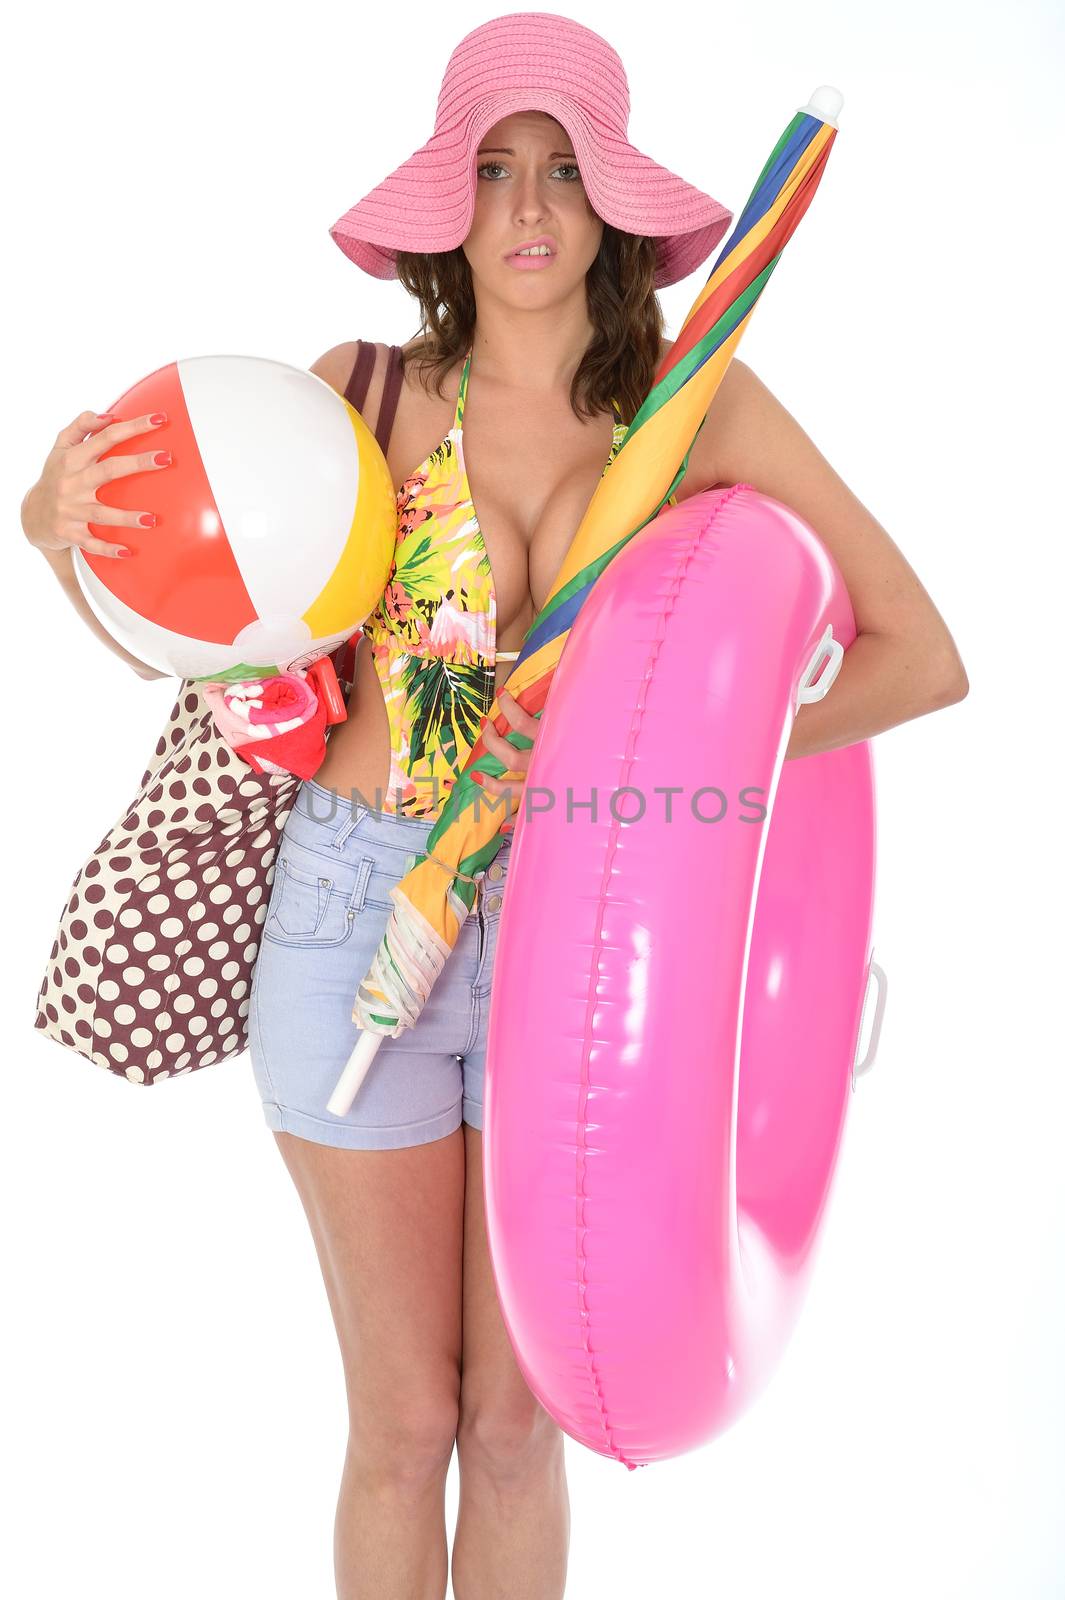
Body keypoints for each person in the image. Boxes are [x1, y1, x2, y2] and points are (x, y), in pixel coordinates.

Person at [21, 13, 968, 1598]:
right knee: (402, 1422)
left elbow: (917, 657)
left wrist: (668, 760)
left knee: (519, 1425)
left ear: (610, 208)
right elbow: (183, 651)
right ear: (446, 207)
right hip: (349, 920)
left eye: (563, 172)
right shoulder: (365, 397)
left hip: (578, 945)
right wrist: (53, 534)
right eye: (494, 170)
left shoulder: (693, 412)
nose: (528, 208)